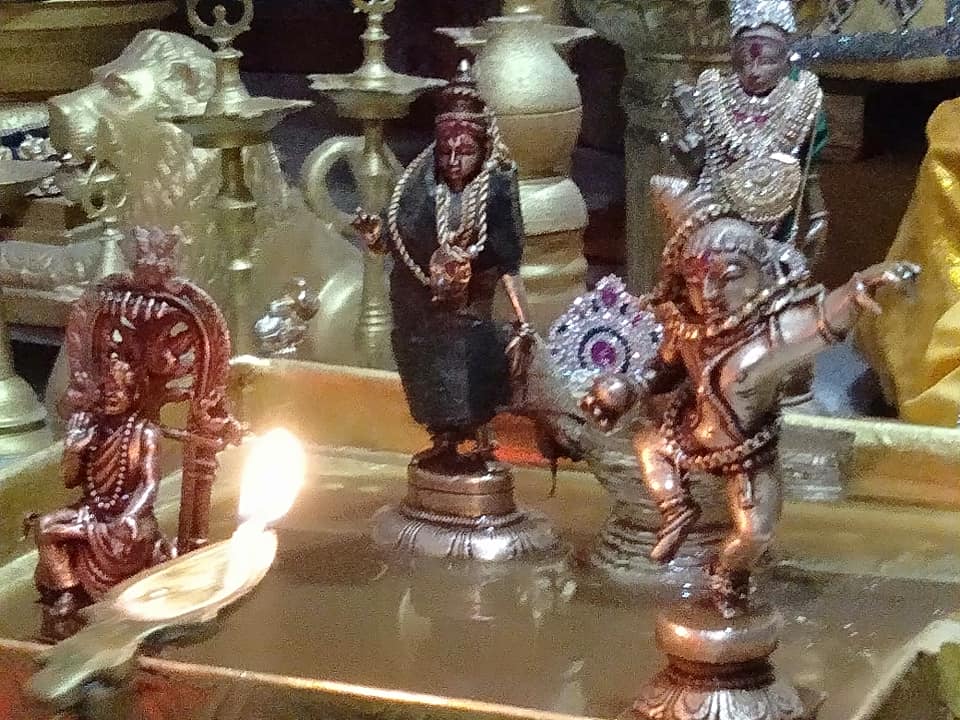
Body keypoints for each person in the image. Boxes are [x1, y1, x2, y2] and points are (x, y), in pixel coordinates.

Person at [583, 178, 918, 616]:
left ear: (763, 271)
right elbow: (661, 372)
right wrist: (625, 389)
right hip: (688, 433)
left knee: (755, 533)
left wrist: (864, 284)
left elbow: (822, 320)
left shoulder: (773, 336)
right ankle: (677, 508)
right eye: (696, 282)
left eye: (729, 277)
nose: (710, 296)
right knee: (648, 446)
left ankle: (727, 576)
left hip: (748, 454)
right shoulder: (690, 331)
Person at [353, 60, 533, 472]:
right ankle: (444, 440)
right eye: (446, 151)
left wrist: (523, 322)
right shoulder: (418, 187)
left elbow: (509, 263)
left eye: (465, 152)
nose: (453, 161)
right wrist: (374, 235)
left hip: (471, 307)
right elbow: (395, 243)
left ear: (482, 149)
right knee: (426, 367)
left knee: (473, 365)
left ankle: (480, 439)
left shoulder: (495, 188)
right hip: (420, 306)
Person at [29, 355, 170, 639]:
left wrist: (131, 515)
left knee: (126, 537)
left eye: (119, 390)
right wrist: (74, 448)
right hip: (91, 510)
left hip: (129, 515)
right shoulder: (92, 429)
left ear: (134, 394)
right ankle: (68, 589)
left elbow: (150, 484)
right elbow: (70, 480)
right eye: (105, 389)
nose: (111, 396)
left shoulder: (145, 433)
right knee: (45, 527)